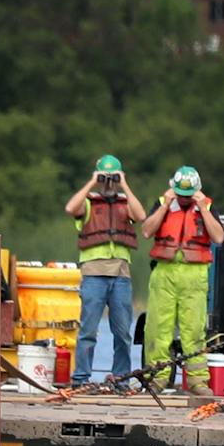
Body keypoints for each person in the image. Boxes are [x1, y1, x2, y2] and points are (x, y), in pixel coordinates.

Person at [141, 165, 224, 396]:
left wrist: (203, 209)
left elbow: (218, 237)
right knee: (158, 328)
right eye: (180, 194)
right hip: (164, 273)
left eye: (188, 195)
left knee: (194, 330)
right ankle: (157, 378)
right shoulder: (162, 204)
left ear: (197, 191)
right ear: (172, 189)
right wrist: (166, 204)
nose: (184, 199)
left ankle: (198, 381)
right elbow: (146, 231)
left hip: (194, 274)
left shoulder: (206, 206)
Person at [64, 155, 147, 387]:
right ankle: (81, 378)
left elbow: (141, 216)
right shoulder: (89, 203)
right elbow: (71, 208)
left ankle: (121, 379)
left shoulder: (124, 203)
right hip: (93, 274)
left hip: (120, 275)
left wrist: (125, 185)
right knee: (88, 331)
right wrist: (92, 182)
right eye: (106, 178)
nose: (109, 183)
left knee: (123, 333)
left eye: (113, 178)